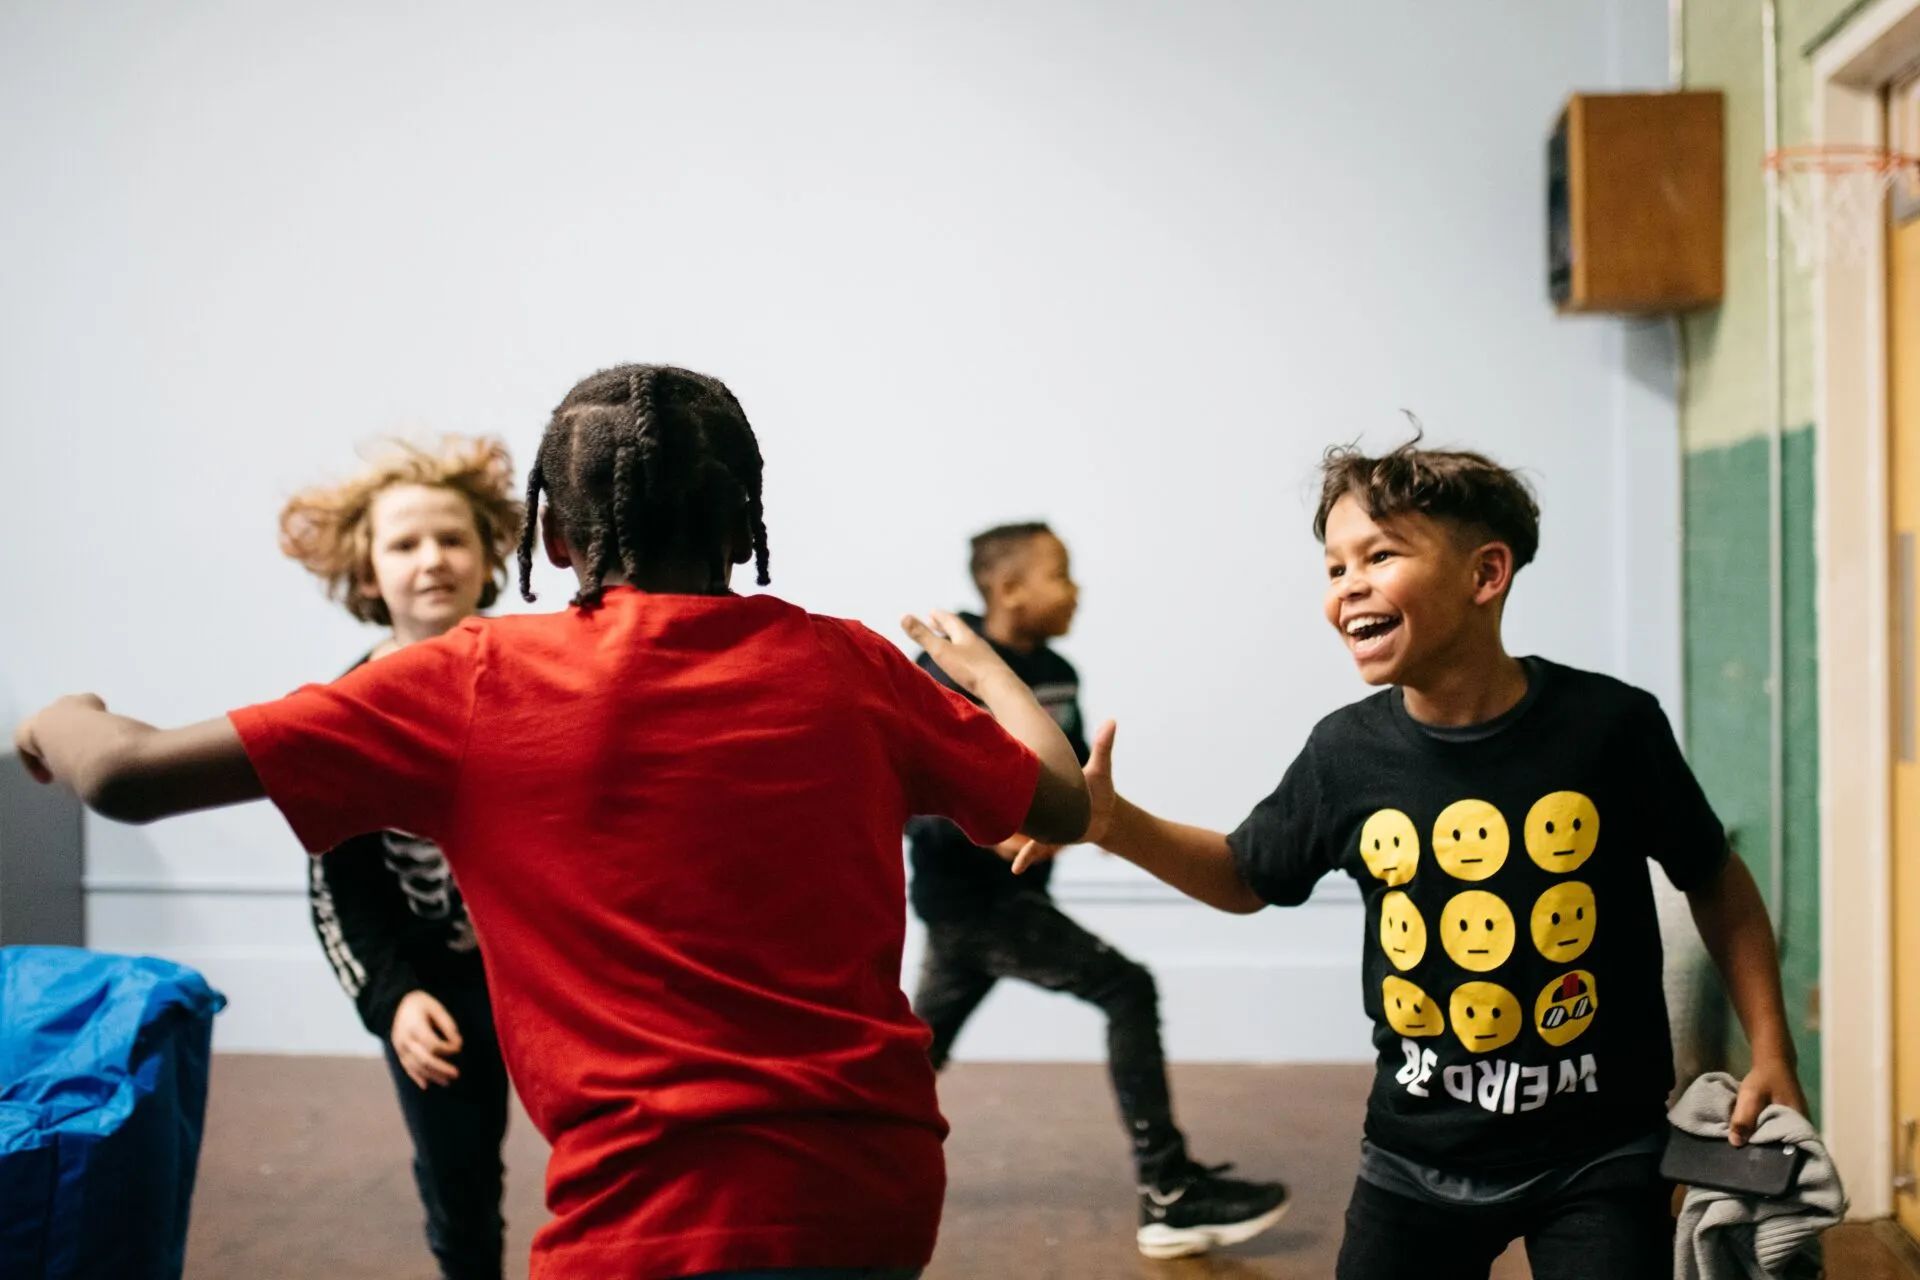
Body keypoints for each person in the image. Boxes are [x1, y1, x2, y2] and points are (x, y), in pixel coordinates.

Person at [14, 364, 1090, 1280]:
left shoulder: (471, 681)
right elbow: (1063, 801)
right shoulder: (852, 664)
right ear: (744, 521)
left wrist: (68, 715)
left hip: (641, 1222)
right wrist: (983, 669)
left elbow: (125, 776)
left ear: (556, 538)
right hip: (876, 1192)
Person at [1012, 440, 1805, 1280]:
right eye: (1333, 567)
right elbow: (1248, 875)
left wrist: (1774, 1053)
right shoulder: (1345, 754)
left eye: (1379, 556)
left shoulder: (1610, 728)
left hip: (1600, 1156)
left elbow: (1713, 876)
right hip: (1413, 1157)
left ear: (1485, 575)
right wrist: (1115, 823)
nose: (1346, 585)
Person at [905, 521, 1289, 1259]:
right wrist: (995, 832)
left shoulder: (1059, 673)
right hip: (969, 904)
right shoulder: (943, 671)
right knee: (1126, 988)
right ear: (1010, 588)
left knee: (916, 1056)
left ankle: (832, 1167)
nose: (1075, 588)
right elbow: (917, 795)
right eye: (1061, 573)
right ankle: (1170, 1194)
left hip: (1018, 900)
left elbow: (1070, 778)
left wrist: (1092, 823)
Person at [279, 435, 524, 1280]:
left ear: (490, 552)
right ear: (367, 572)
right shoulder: (346, 713)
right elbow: (334, 882)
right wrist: (392, 995)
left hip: (551, 967)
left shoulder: (543, 675)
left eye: (453, 539)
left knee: (617, 1152)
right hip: (438, 984)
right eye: (405, 544)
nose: (432, 561)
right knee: (457, 1183)